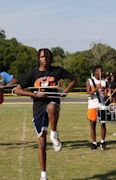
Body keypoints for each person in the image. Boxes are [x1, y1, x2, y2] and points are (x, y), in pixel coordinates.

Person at [15, 48, 76, 180]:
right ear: (38, 58)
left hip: (52, 102)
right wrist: (35, 94)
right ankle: (43, 175)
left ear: (50, 58)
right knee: (41, 143)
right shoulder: (32, 74)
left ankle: (54, 134)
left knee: (52, 107)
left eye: (47, 57)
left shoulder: (57, 70)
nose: (45, 59)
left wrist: (66, 90)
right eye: (42, 57)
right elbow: (18, 90)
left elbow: (73, 79)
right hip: (38, 107)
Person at [86, 65, 110, 150]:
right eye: (99, 71)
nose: (101, 72)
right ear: (95, 72)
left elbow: (108, 93)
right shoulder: (90, 81)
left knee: (103, 123)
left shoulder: (105, 81)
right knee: (93, 124)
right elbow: (89, 93)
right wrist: (96, 88)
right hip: (92, 104)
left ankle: (103, 142)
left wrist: (106, 93)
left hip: (102, 104)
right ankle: (94, 143)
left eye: (101, 71)